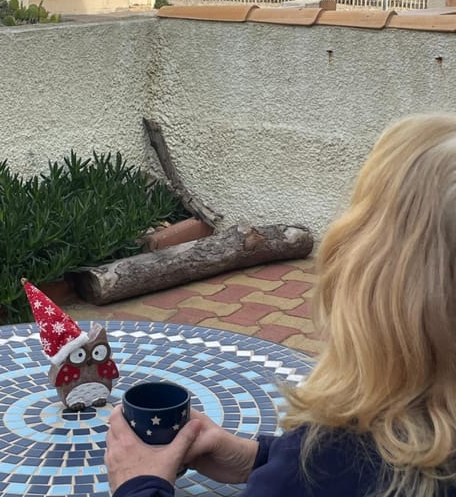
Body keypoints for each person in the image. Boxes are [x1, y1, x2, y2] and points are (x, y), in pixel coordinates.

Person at [105, 113, 456, 497]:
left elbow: (333, 472)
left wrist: (137, 483)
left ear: (369, 283)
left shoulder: (327, 463)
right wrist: (259, 457)